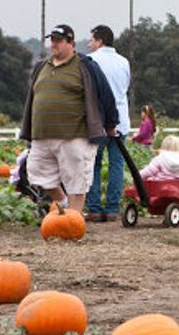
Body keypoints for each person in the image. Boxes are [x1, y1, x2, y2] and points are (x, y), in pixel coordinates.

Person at [19, 24, 118, 214]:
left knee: (76, 180)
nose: (53, 44)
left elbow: (105, 95)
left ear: (71, 43)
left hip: (75, 134)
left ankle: (75, 219)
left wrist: (110, 124)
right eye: (52, 40)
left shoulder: (85, 66)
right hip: (42, 135)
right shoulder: (41, 66)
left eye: (58, 40)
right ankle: (64, 204)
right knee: (37, 174)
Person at [85, 25, 131, 222]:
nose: (89, 44)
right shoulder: (124, 62)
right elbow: (125, 87)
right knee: (116, 164)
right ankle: (113, 208)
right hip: (120, 119)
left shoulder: (91, 61)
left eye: (91, 40)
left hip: (98, 119)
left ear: (100, 41)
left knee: (93, 164)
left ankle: (94, 207)